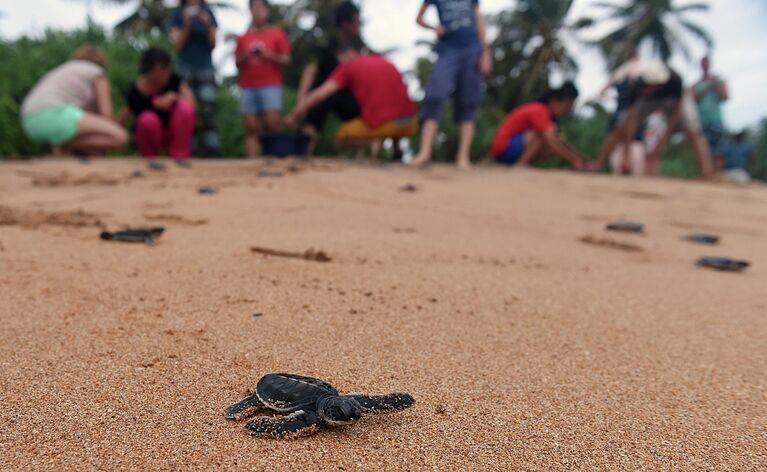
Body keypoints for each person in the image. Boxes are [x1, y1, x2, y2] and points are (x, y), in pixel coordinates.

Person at [590, 61, 713, 177]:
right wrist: (627, 155)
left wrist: (661, 142)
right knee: (620, 127)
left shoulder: (675, 80)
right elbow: (632, 119)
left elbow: (676, 112)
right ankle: (598, 164)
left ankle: (706, 173)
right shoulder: (635, 85)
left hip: (675, 101)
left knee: (694, 132)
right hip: (647, 101)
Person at [410, 0, 492, 169]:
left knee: (469, 100)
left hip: (472, 49)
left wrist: (485, 51)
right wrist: (434, 28)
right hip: (447, 49)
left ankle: (463, 156)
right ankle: (425, 152)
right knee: (435, 94)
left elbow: (479, 20)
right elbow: (418, 18)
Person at [286, 48, 418, 152]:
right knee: (392, 110)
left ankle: (375, 139)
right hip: (410, 122)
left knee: (341, 136)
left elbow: (320, 95)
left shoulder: (347, 67)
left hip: (384, 126)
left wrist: (294, 114)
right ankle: (396, 149)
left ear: (344, 55)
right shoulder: (384, 61)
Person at [20, 44, 127, 155]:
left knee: (90, 141)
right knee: (119, 137)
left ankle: (63, 147)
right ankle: (63, 144)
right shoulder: (97, 72)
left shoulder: (65, 68)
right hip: (54, 113)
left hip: (29, 122)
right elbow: (106, 115)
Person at [297, 1, 367, 155]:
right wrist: (302, 100)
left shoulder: (358, 43)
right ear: (345, 23)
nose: (358, 25)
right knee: (313, 116)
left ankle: (360, 157)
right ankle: (304, 156)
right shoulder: (326, 42)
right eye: (356, 21)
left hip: (345, 93)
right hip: (322, 91)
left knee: (361, 116)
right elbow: (311, 69)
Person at [118, 48, 197, 161]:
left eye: (168, 67)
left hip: (173, 133)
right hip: (149, 138)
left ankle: (180, 158)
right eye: (163, 68)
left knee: (184, 108)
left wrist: (174, 98)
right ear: (149, 70)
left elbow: (193, 105)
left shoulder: (173, 80)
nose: (167, 71)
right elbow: (121, 120)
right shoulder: (135, 92)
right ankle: (150, 161)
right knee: (147, 120)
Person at [235, 0, 291, 158]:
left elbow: (287, 59)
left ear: (267, 11)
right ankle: (253, 161)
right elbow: (237, 63)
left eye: (261, 8)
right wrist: (246, 56)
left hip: (271, 84)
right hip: (248, 85)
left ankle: (277, 156)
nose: (258, 11)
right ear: (250, 11)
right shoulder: (243, 38)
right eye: (254, 8)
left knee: (274, 123)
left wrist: (268, 55)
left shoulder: (277, 34)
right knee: (251, 126)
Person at [489, 82, 587, 169]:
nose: (567, 110)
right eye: (566, 106)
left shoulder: (545, 115)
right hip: (502, 149)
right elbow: (551, 140)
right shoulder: (540, 111)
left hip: (510, 149)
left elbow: (560, 141)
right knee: (543, 136)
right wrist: (574, 160)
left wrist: (581, 159)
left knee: (557, 138)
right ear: (553, 101)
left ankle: (522, 164)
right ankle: (521, 166)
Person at [170, 0, 220, 157]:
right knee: (186, 110)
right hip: (184, 69)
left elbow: (214, 43)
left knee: (208, 110)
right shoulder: (178, 15)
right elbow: (177, 45)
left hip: (205, 68)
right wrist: (186, 24)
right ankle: (187, 150)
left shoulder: (208, 13)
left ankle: (213, 150)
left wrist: (207, 23)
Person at [694, 56, 729, 172]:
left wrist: (716, 86)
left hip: (716, 119)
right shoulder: (697, 84)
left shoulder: (719, 82)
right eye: (703, 64)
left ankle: (717, 174)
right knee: (704, 149)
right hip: (702, 120)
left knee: (718, 150)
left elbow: (725, 97)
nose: (705, 66)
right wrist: (707, 88)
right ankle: (707, 174)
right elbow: (693, 99)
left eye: (707, 63)